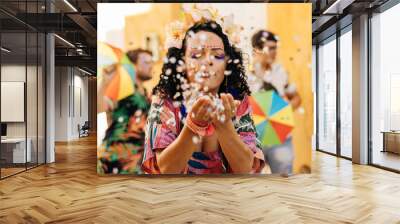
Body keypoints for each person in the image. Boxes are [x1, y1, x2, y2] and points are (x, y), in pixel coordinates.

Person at [141, 20, 265, 174]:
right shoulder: (166, 100)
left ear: (227, 63)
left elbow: (245, 168)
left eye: (217, 55)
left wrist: (224, 125)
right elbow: (166, 170)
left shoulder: (238, 100)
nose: (207, 61)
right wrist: (193, 126)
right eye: (196, 55)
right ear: (183, 62)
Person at [249, 30, 301, 174]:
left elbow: (296, 98)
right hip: (253, 138)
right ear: (257, 50)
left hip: (279, 136)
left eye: (275, 48)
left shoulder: (280, 72)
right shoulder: (245, 76)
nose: (274, 52)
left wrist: (282, 111)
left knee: (284, 178)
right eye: (270, 48)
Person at [97, 49, 154, 174]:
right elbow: (99, 108)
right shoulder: (122, 89)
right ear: (133, 66)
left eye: (152, 62)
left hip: (136, 161)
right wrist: (105, 83)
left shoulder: (145, 93)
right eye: (146, 62)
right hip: (113, 159)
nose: (151, 66)